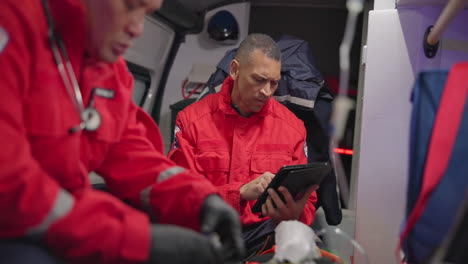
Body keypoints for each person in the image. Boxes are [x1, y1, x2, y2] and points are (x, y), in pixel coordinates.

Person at [0, 0, 245, 263]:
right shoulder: (13, 22)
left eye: (147, 13)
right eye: (129, 6)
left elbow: (133, 155)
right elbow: (8, 181)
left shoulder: (109, 70)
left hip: (63, 225)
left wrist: (200, 201)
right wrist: (135, 240)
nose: (138, 28)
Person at [168, 33, 318, 258]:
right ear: (235, 70)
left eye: (274, 83)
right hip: (206, 236)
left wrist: (293, 214)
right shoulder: (191, 121)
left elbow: (307, 205)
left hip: (266, 242)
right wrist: (238, 193)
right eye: (259, 80)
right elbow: (179, 198)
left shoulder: (293, 128)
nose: (267, 92)